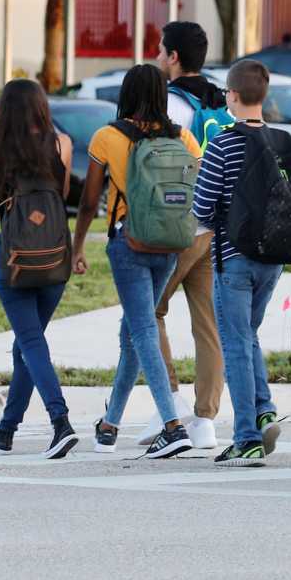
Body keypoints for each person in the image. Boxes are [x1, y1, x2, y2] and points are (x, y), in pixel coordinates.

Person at [73, 64, 200, 459]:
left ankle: (172, 425)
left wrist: (77, 246)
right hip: (170, 243)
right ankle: (110, 424)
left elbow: (90, 200)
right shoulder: (182, 136)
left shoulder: (108, 136)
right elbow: (198, 177)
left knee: (142, 329)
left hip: (128, 243)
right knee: (133, 332)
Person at [192, 60, 291, 467]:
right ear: (264, 95)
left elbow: (202, 208)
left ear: (231, 96)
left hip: (233, 258)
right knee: (248, 333)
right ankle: (264, 406)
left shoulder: (222, 143)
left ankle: (247, 437)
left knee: (234, 343)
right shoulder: (285, 141)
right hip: (274, 258)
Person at [0, 79, 78, 458]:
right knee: (28, 346)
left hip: (14, 260)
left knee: (30, 343)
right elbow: (62, 195)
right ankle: (6, 430)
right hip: (54, 257)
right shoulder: (61, 144)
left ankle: (59, 420)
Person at [145, 21, 226, 450]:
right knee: (208, 324)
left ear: (173, 56)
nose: (159, 57)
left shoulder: (172, 105)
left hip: (180, 226)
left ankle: (169, 409)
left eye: (161, 50)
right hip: (216, 227)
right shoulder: (219, 100)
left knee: (147, 312)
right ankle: (206, 419)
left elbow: (159, 167)